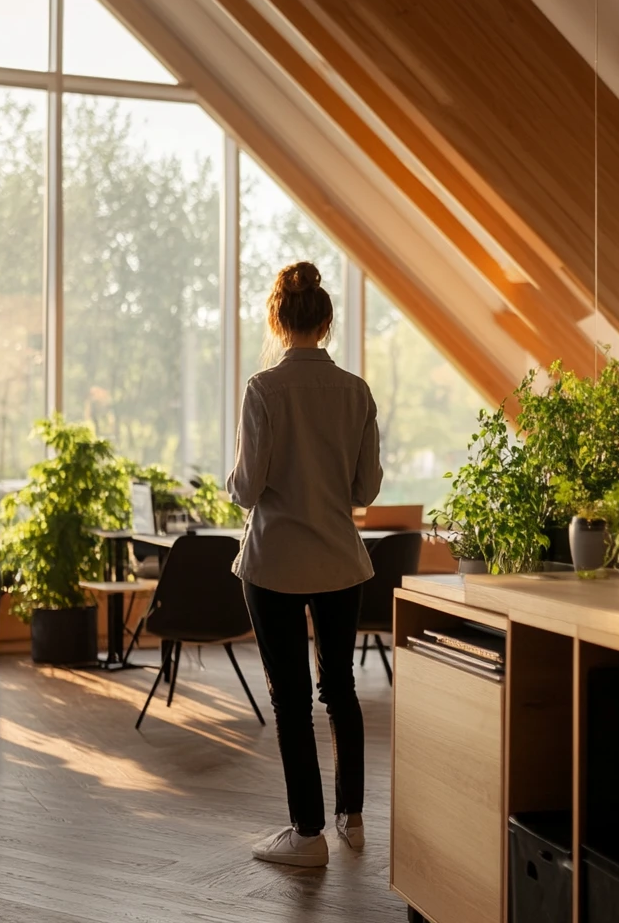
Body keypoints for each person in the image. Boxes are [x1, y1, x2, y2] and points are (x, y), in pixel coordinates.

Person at [227, 261, 384, 868]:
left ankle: (307, 833)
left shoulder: (262, 390)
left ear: (277, 318)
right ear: (326, 319)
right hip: (343, 563)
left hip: (273, 566)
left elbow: (246, 488)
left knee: (291, 700)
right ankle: (354, 817)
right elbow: (365, 490)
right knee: (340, 688)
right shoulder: (356, 392)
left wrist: (234, 477)